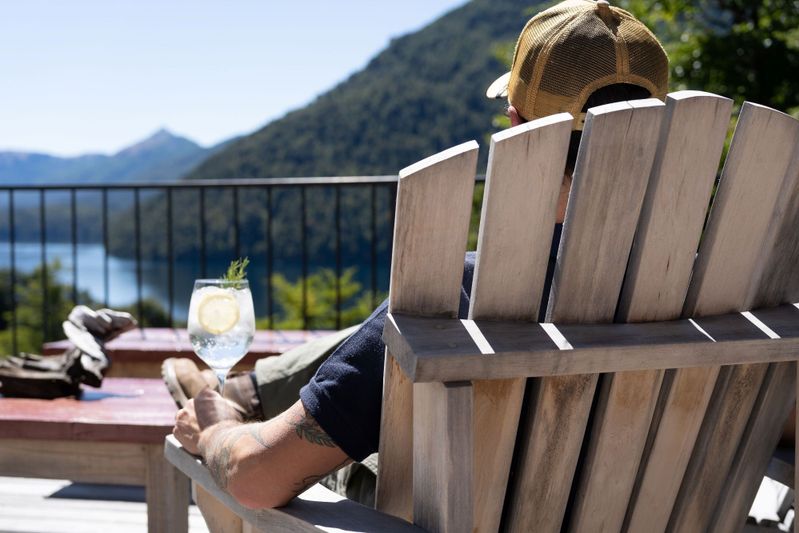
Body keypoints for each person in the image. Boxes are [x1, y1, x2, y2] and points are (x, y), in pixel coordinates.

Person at [170, 0, 669, 511]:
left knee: (405, 328)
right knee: (397, 328)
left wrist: (216, 432)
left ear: (517, 126)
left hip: (451, 514)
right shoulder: (691, 286)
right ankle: (253, 391)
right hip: (641, 510)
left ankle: (236, 401)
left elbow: (256, 478)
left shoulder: (464, 292)